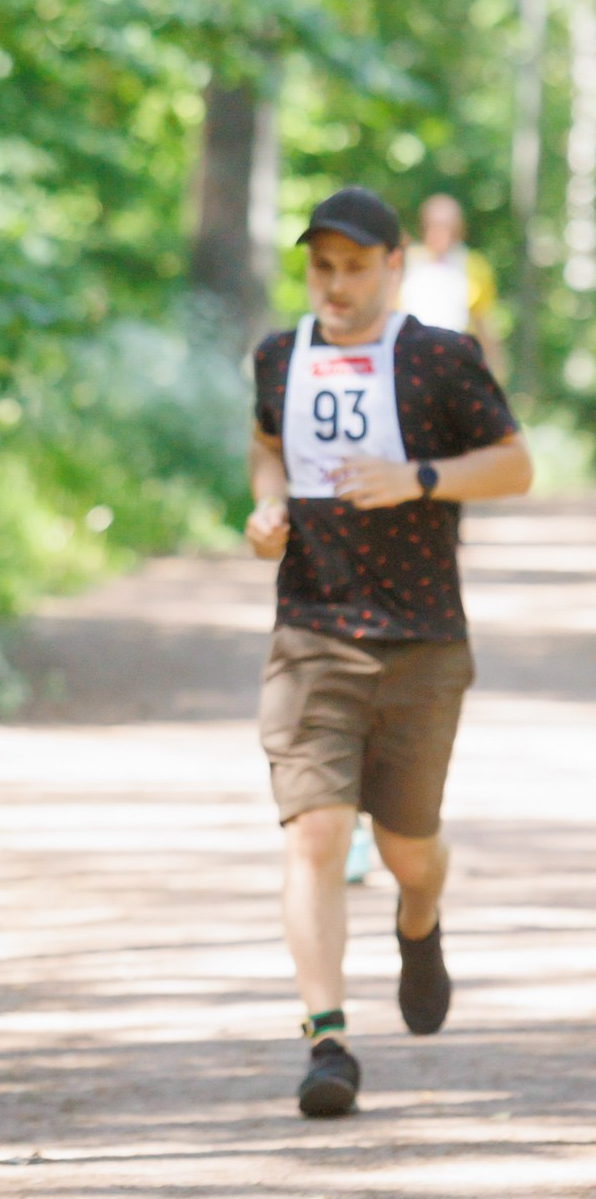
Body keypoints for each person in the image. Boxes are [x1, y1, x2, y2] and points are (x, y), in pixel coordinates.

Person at [245, 185, 531, 1119]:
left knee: (410, 851)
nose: (335, 283)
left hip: (421, 640)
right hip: (313, 629)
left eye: (354, 266)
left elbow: (516, 464)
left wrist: (420, 478)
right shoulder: (280, 355)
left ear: (393, 264)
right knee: (318, 832)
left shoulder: (439, 359)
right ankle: (325, 1039)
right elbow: (264, 443)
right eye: (321, 266)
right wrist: (267, 505)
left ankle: (420, 920)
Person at [400, 193, 504, 375]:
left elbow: (483, 321)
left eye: (447, 227)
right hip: (411, 360)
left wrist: (495, 368)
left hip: (457, 362)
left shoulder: (473, 266)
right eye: (434, 225)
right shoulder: (406, 262)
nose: (440, 233)